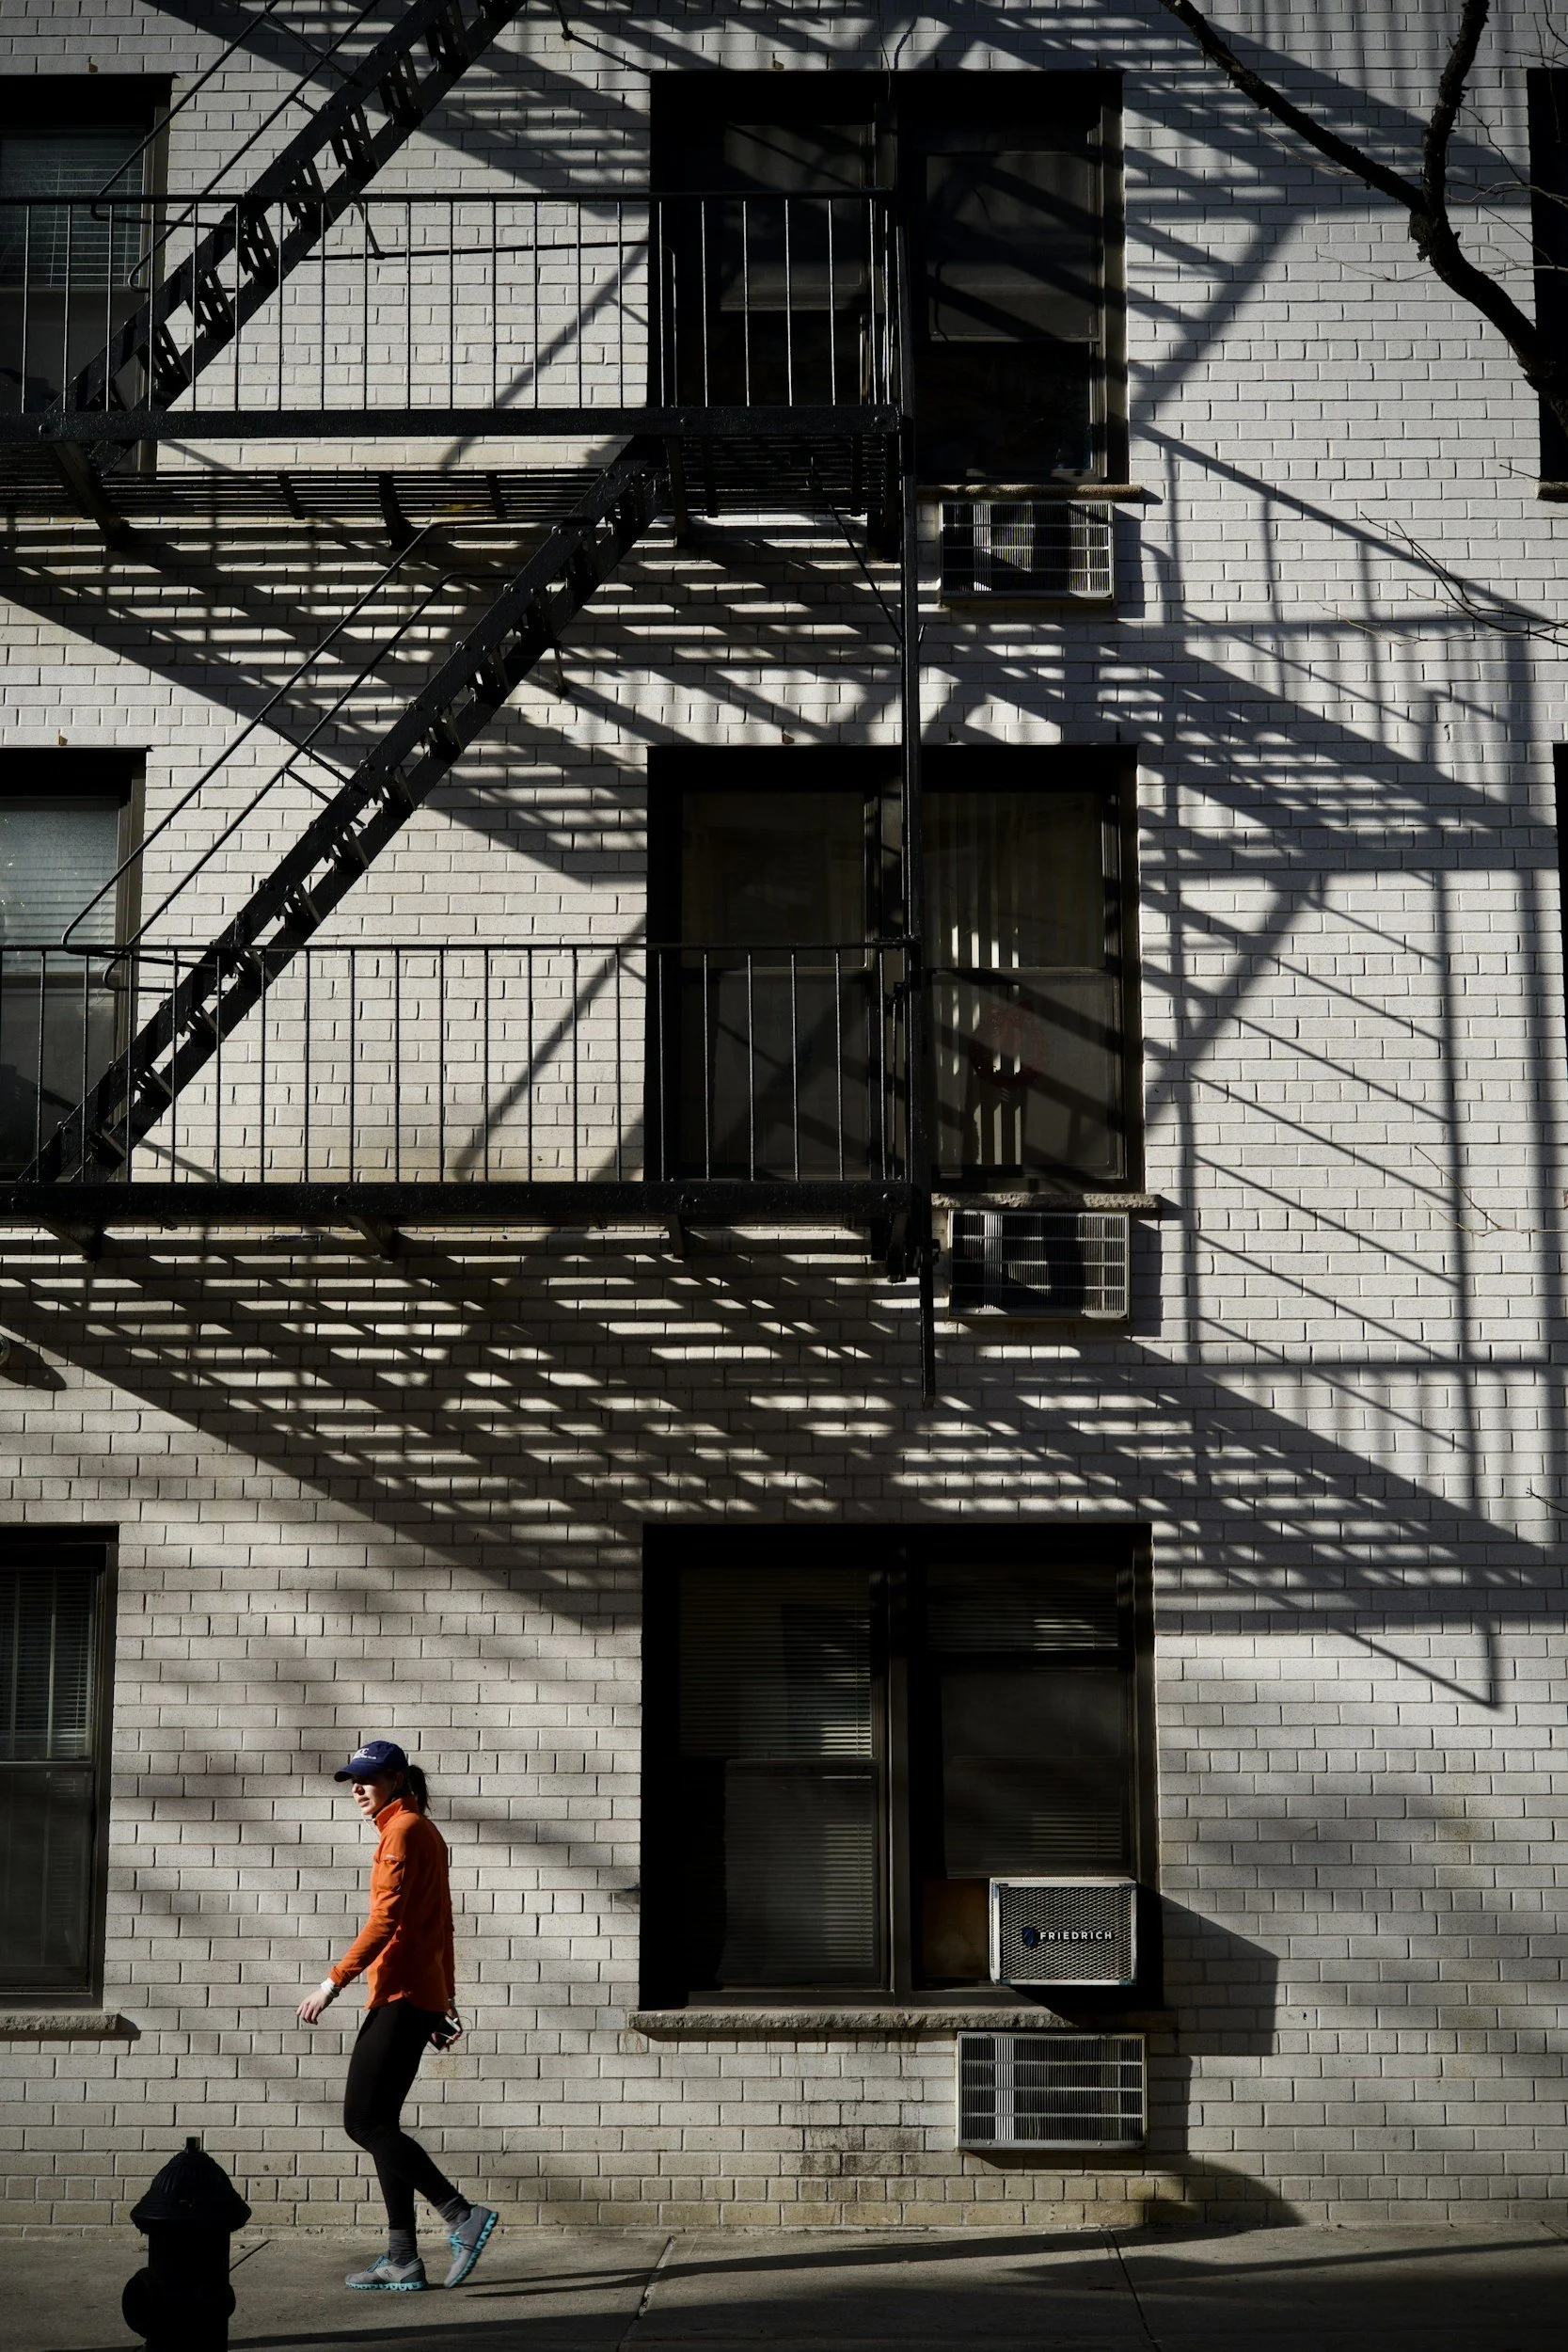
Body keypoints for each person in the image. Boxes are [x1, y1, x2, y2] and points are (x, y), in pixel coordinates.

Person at [297, 1739, 498, 2293]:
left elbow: (385, 1922)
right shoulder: (420, 1831)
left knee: (362, 2122)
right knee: (382, 2124)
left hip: (401, 1996)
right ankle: (403, 2257)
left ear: (397, 1779)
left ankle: (461, 2215)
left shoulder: (404, 1832)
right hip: (418, 1995)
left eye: (366, 1779)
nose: (357, 1789)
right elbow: (443, 1926)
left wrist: (330, 1983)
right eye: (351, 1780)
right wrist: (446, 1999)